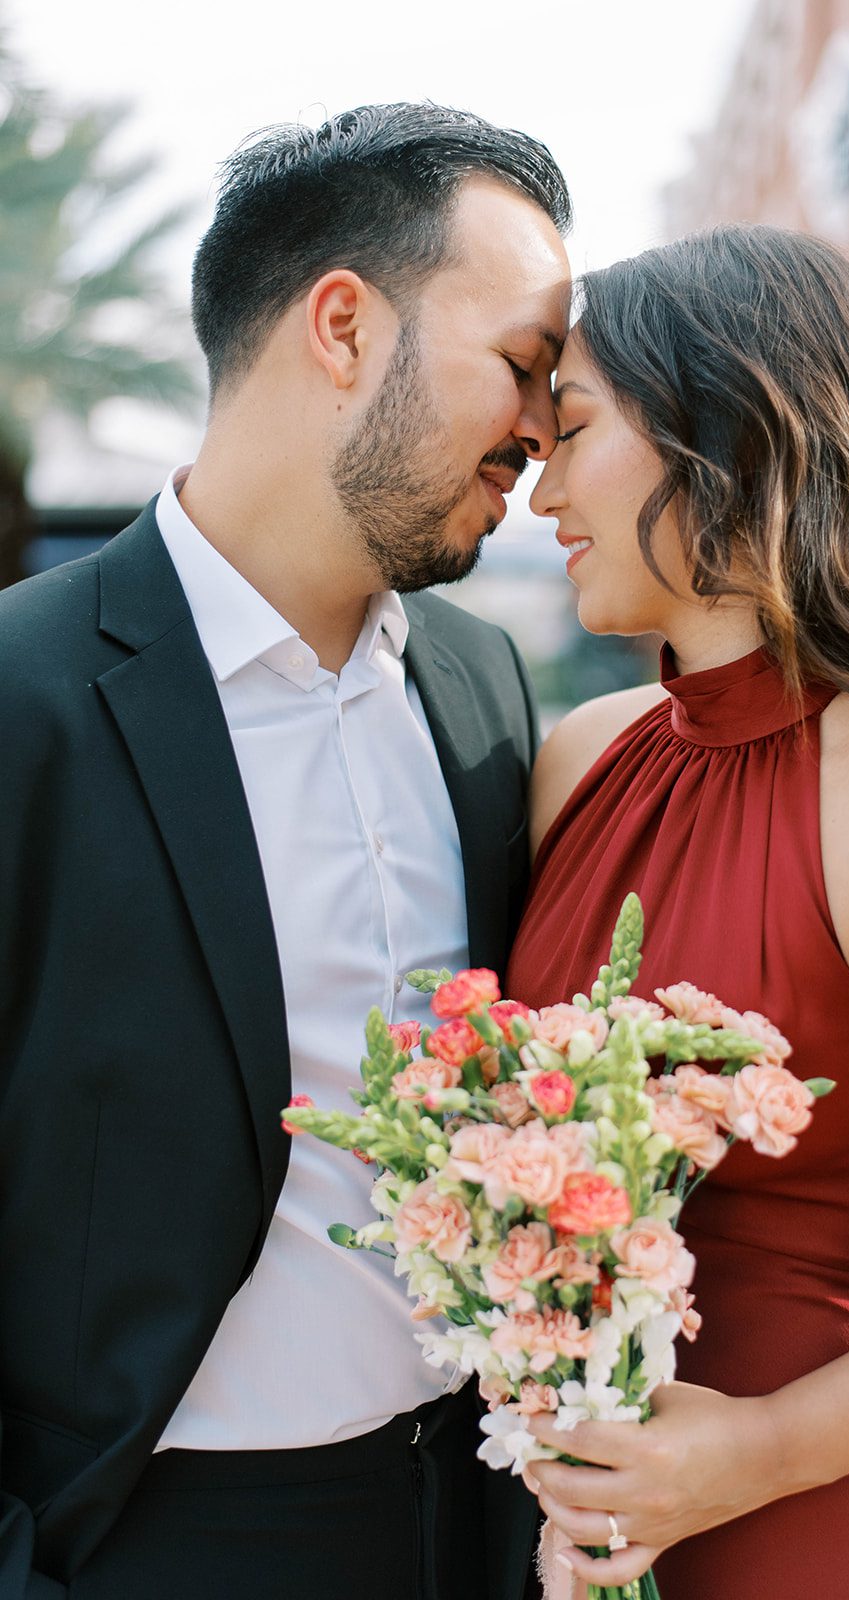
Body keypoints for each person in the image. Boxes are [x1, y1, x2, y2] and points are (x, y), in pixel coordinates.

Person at [0, 103, 571, 1600]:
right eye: (521, 363)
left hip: (465, 1530)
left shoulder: (483, 692)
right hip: (142, 1545)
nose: (545, 427)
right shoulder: (19, 699)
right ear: (341, 326)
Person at [507, 225, 849, 1598]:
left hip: (837, 1523)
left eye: (572, 433)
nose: (540, 495)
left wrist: (753, 1455)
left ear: (727, 438)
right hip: (595, 1523)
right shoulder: (580, 757)